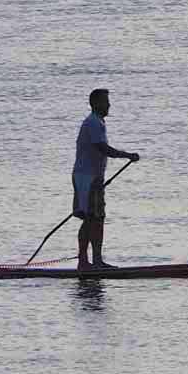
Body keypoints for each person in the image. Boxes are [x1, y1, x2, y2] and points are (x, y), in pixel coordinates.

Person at [72, 88, 140, 269]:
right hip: (87, 179)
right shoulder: (93, 123)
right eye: (105, 101)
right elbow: (103, 148)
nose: (109, 105)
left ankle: (92, 261)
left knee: (95, 218)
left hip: (93, 178)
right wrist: (127, 155)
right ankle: (88, 262)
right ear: (95, 104)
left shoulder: (98, 122)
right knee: (91, 218)